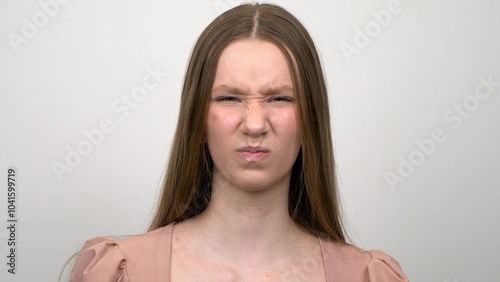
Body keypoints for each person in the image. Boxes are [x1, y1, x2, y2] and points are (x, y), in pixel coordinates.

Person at [69, 3, 409, 281]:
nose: (255, 124)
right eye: (230, 98)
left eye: (279, 99)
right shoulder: (118, 273)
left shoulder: (367, 277)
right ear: (198, 120)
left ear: (310, 122)